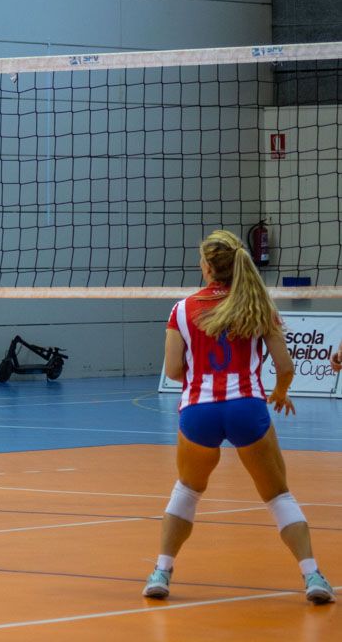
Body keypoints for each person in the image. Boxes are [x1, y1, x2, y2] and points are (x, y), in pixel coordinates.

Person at [142, 230, 334, 605]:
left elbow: (174, 369)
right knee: (278, 495)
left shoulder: (181, 310)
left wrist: (203, 376)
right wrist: (279, 393)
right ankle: (312, 576)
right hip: (247, 407)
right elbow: (285, 366)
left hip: (199, 411)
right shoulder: (258, 304)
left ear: (207, 267)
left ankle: (161, 572)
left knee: (187, 490)